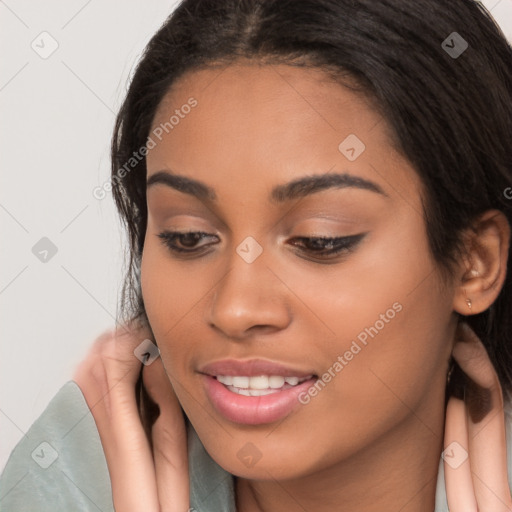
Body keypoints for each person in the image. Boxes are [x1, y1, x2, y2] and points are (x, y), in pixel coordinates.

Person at [1, 0, 512, 510]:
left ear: (476, 262)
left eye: (320, 240)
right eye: (187, 236)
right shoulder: (68, 483)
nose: (235, 309)